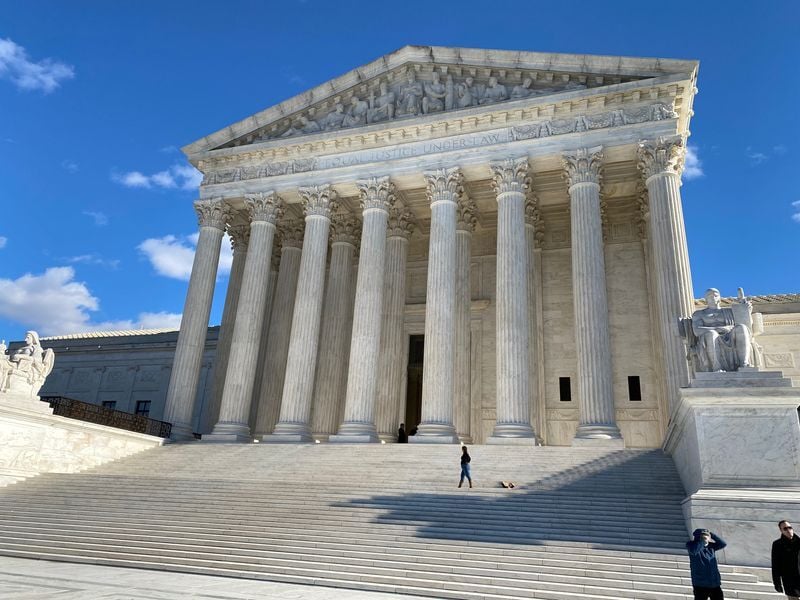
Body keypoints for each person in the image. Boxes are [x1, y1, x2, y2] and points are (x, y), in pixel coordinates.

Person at [686, 528, 727, 599]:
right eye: (703, 535)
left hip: (714, 583)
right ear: (698, 536)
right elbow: (694, 551)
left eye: (706, 535)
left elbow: (723, 544)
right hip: (700, 584)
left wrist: (712, 535)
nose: (705, 537)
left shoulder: (711, 546)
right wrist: (702, 542)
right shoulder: (691, 545)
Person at [772, 520, 800, 599]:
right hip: (790, 582)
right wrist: (777, 584)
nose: (788, 530)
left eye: (790, 527)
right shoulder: (777, 544)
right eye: (785, 528)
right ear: (781, 530)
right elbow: (775, 565)